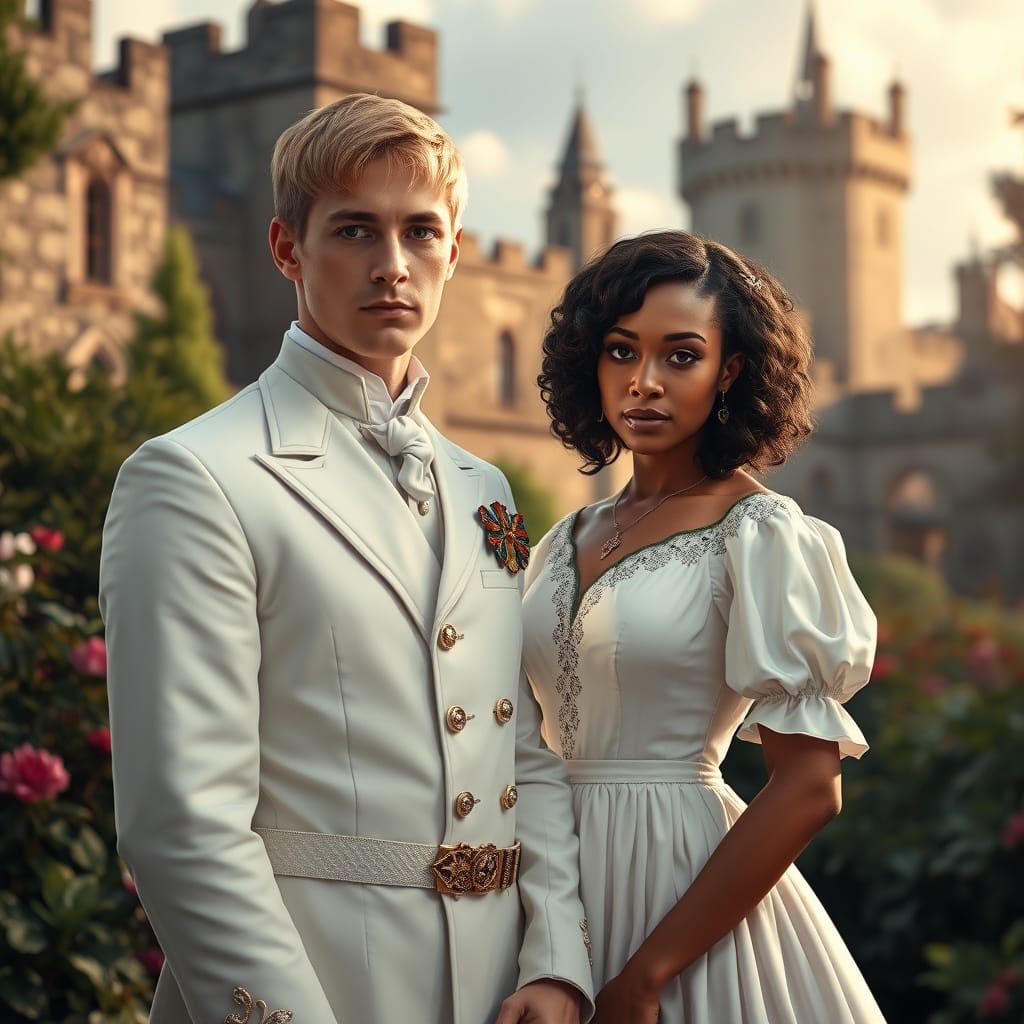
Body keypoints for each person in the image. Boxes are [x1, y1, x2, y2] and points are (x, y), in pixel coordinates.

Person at [100, 94, 594, 1024]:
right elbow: (181, 826)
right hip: (319, 984)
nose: (393, 266)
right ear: (289, 250)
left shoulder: (484, 485)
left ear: (454, 249)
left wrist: (559, 962)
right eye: (357, 231)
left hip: (501, 993)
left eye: (421, 233)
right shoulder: (193, 476)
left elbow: (524, 751)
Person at [522, 230, 886, 1023]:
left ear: (731, 371)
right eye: (621, 351)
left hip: (684, 895)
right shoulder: (559, 541)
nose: (643, 382)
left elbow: (809, 787)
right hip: (543, 894)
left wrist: (650, 972)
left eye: (680, 356)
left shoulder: (763, 533)